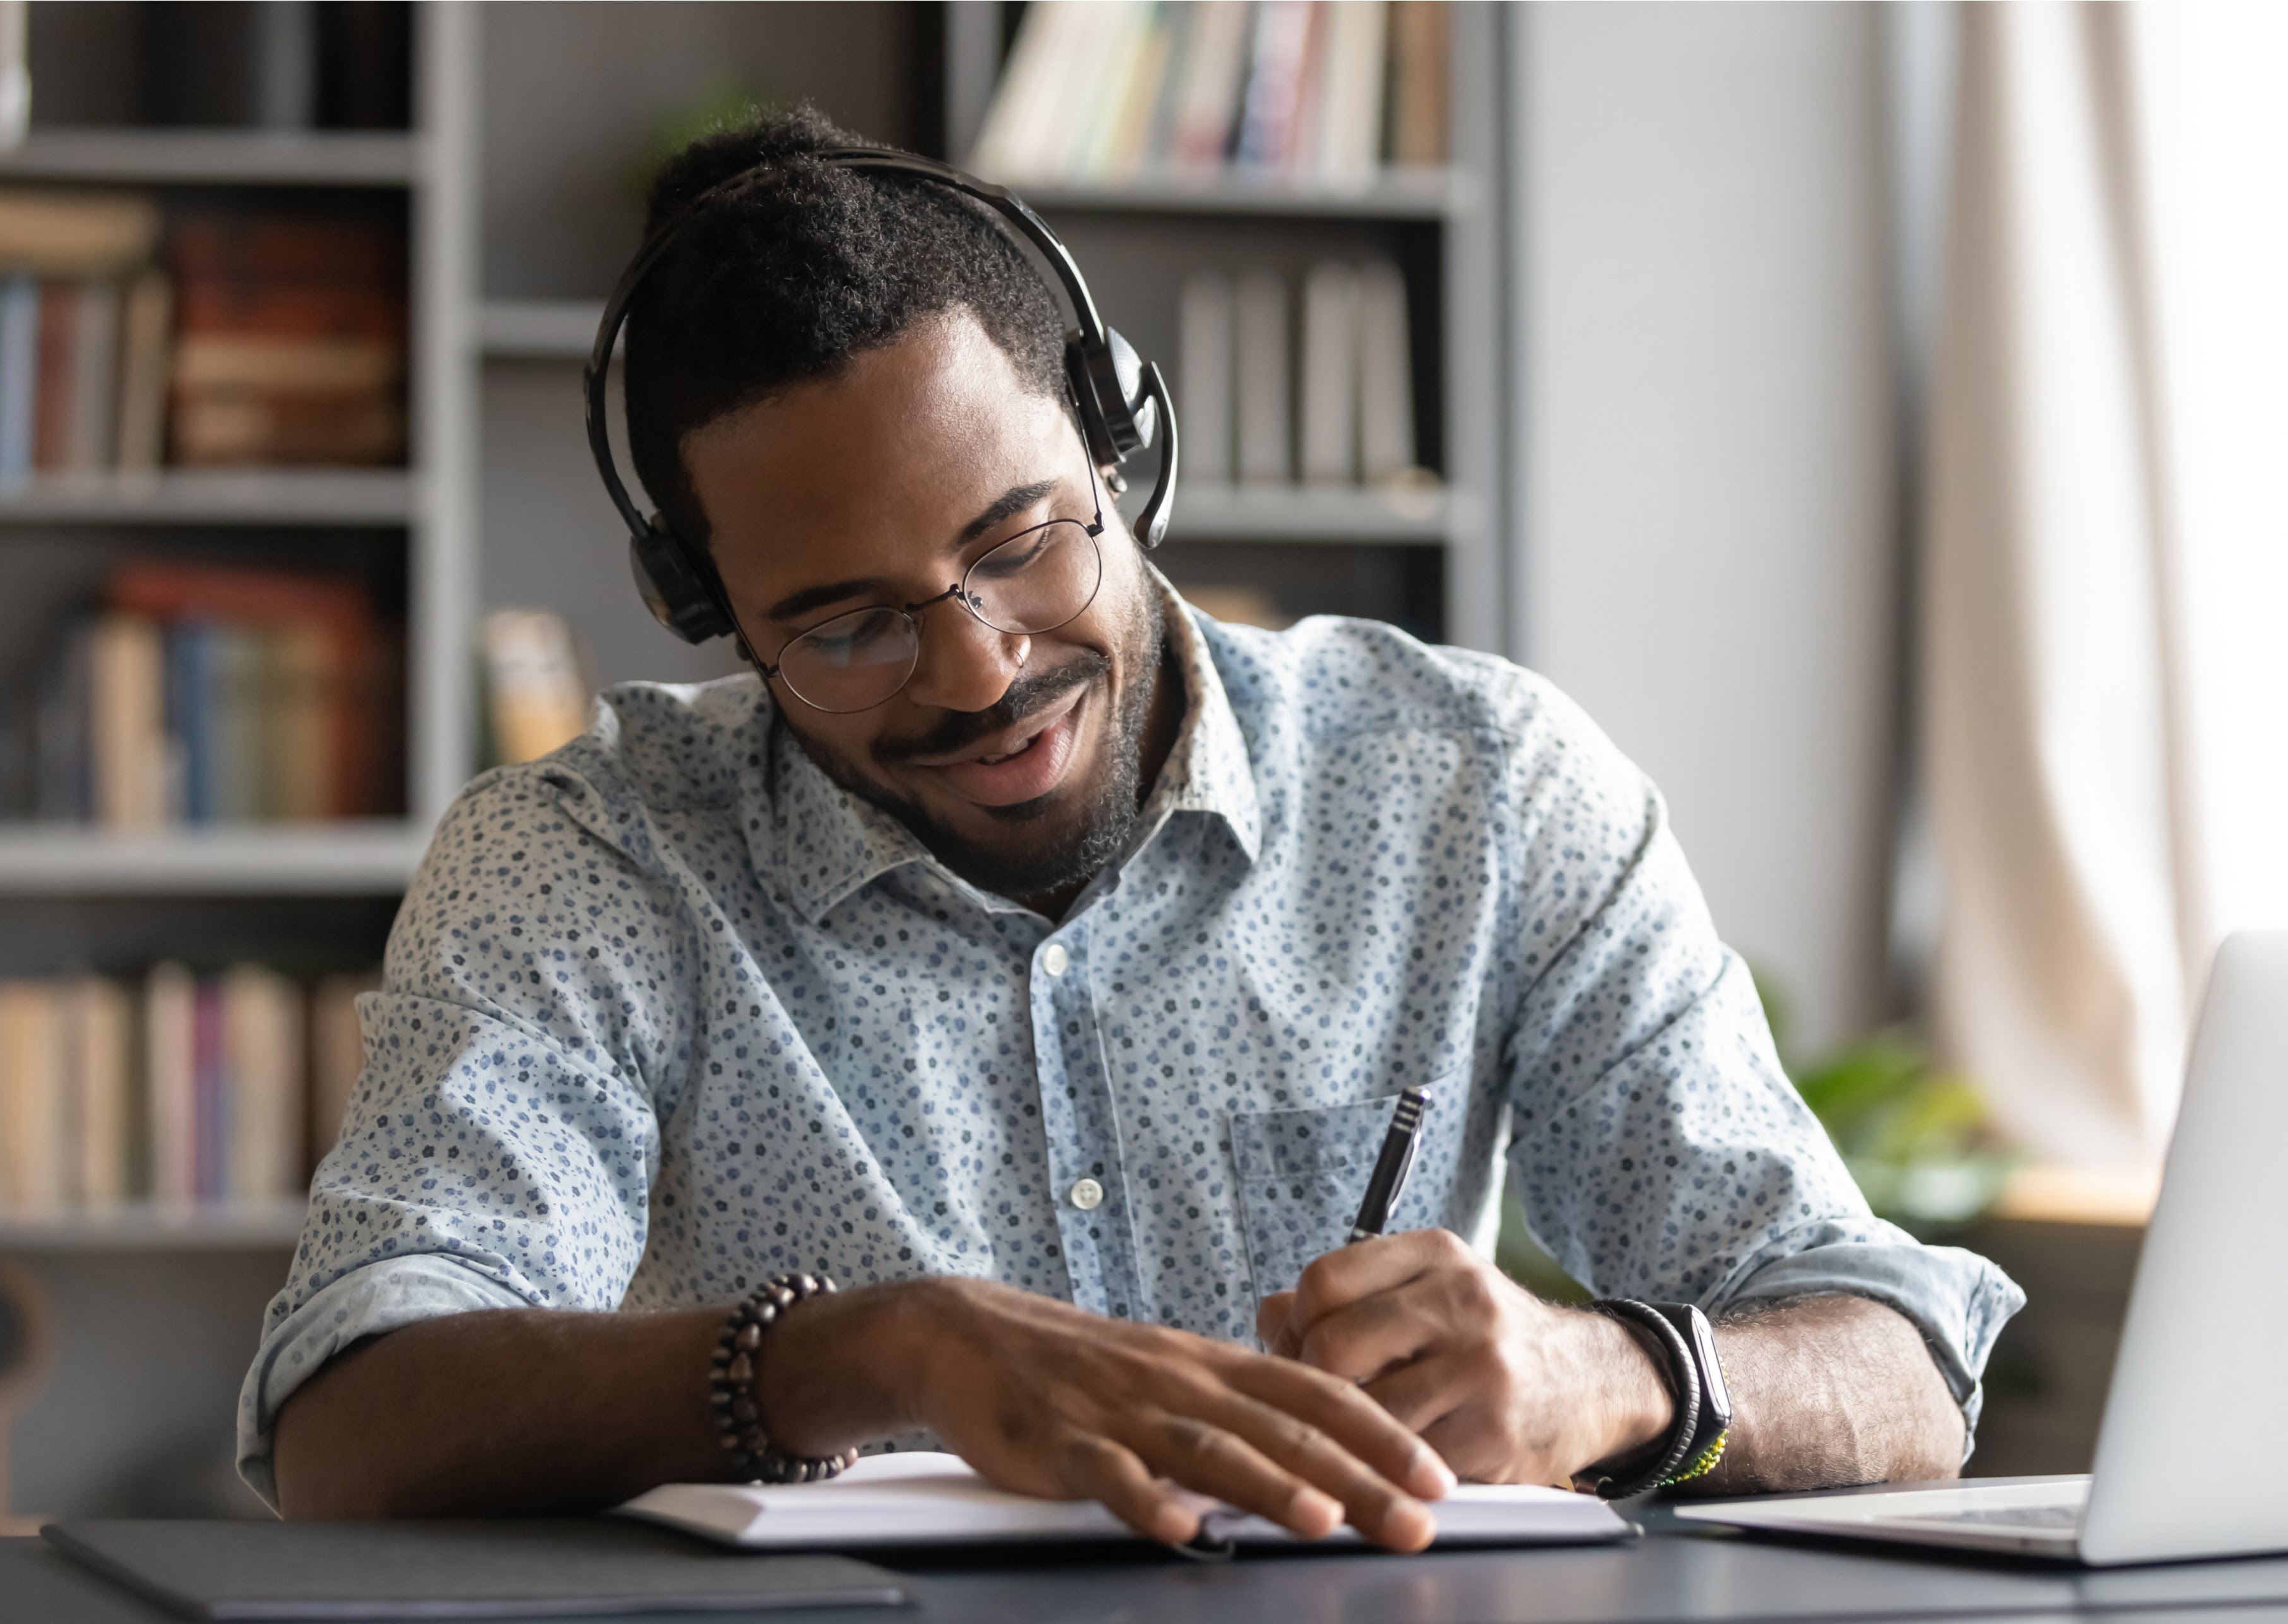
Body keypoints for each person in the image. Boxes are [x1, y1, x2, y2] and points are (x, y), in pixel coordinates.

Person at [249, 110, 2020, 1550]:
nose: (980, 668)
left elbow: (1904, 1374)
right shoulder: (587, 861)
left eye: (1023, 540)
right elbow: (352, 1415)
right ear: (711, 612)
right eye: (848, 624)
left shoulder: (1476, 784)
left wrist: (1610, 1376)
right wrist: (871, 1352)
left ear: (1125, 452)